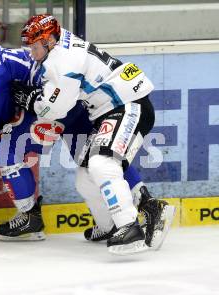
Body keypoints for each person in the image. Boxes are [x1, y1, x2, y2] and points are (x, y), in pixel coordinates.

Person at [0, 38, 172, 251]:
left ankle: (29, 219)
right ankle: (146, 203)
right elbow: (10, 86)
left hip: (51, 105)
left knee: (8, 153)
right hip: (72, 100)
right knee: (99, 156)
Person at [13, 14, 175, 254]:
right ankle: (110, 225)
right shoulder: (60, 47)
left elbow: (57, 107)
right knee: (85, 177)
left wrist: (32, 100)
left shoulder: (64, 60)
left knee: (101, 163)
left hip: (127, 105)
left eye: (35, 46)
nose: (31, 51)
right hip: (113, 109)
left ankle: (130, 227)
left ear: (49, 41)